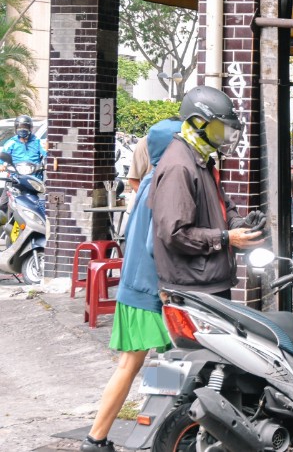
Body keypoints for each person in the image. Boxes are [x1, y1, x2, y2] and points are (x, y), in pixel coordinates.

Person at [79, 120, 180, 452]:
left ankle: (99, 438)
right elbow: (157, 244)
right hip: (152, 291)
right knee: (164, 363)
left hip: (135, 287)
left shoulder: (150, 181)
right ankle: (153, 431)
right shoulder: (164, 185)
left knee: (137, 364)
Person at [150, 86, 264, 298]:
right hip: (192, 289)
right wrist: (225, 238)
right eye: (219, 128)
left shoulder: (202, 161)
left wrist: (241, 226)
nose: (224, 135)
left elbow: (222, 209)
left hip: (207, 282)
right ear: (199, 123)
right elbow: (175, 234)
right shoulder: (179, 167)